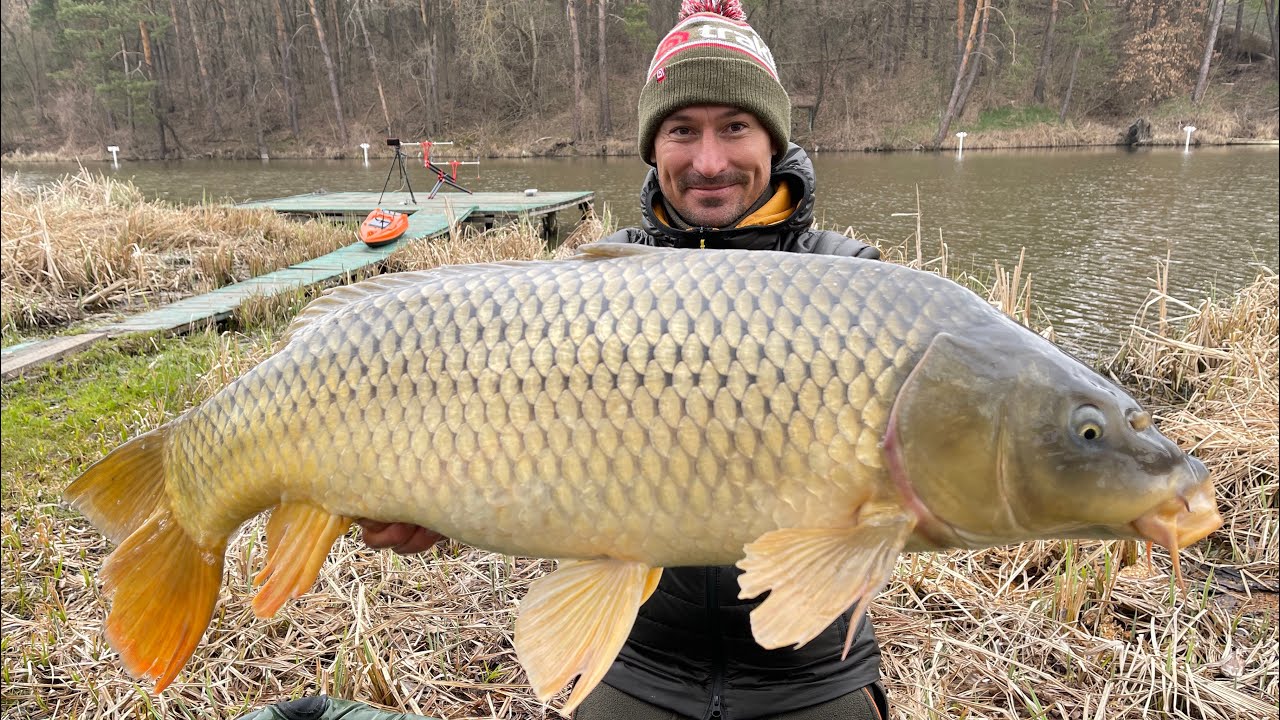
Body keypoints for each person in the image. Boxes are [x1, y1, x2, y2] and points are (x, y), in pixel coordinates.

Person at [362, 2, 888, 720]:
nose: (709, 162)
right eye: (681, 130)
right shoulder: (593, 285)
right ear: (652, 146)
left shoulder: (854, 283)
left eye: (734, 126)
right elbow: (510, 436)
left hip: (811, 674)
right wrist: (429, 493)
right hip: (636, 662)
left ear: (773, 137)